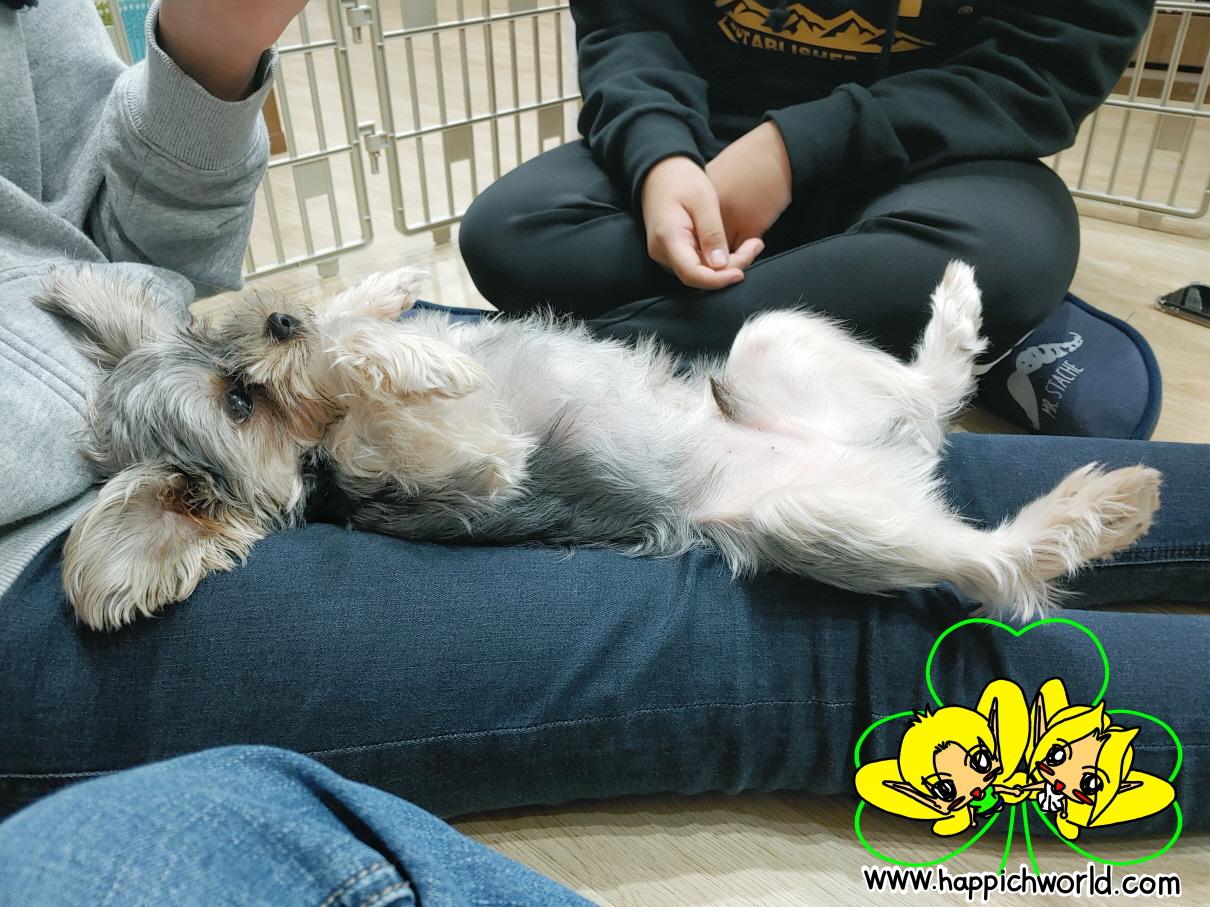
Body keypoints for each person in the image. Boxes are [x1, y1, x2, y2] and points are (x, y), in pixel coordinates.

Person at [2, 0, 1209, 899]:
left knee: (853, 416)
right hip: (42, 556)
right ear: (190, 511)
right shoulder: (293, 474)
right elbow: (475, 456)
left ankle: (896, 324)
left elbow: (131, 262)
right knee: (840, 629)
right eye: (243, 401)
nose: (277, 355)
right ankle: (966, 448)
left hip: (755, 304)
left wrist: (204, 59)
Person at [457, 1, 1159, 434]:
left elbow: (1041, 67)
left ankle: (553, 369)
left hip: (932, 156)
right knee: (509, 232)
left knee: (1003, 260)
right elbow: (631, 22)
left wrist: (796, 150)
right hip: (711, 138)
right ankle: (892, 329)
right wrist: (658, 152)